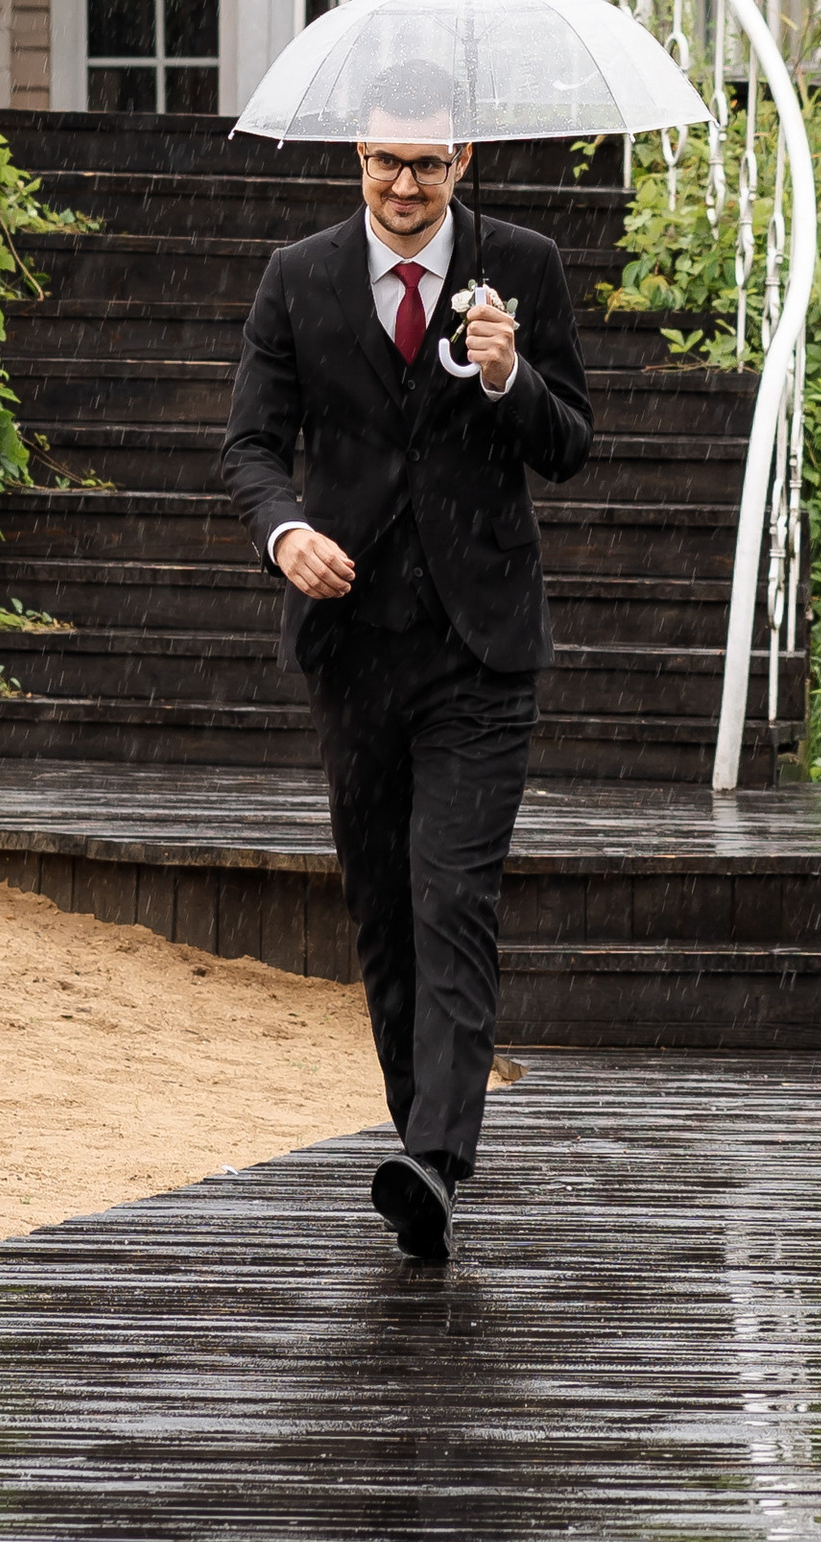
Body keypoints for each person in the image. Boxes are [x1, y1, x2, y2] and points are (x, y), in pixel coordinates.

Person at [219, 75, 593, 1265]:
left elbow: (571, 443)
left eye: (425, 166)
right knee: (382, 908)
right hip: (353, 641)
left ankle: (434, 1155)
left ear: (464, 160)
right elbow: (249, 445)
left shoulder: (520, 266)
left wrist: (504, 376)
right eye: (383, 163)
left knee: (454, 895)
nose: (402, 185)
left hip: (480, 643)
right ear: (357, 162)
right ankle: (416, 1134)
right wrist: (287, 534)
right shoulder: (299, 278)